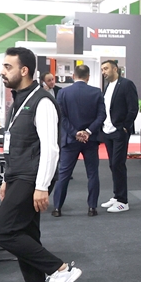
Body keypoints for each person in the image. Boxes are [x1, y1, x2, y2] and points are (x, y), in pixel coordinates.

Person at [0, 46, 81, 282]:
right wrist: (6, 179)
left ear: (24, 70)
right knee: (27, 234)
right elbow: (16, 143)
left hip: (32, 177)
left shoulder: (42, 101)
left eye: (8, 67)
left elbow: (50, 148)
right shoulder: (19, 99)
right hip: (18, 175)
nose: (2, 71)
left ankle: (59, 270)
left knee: (3, 232)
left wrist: (42, 186)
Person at [51, 64, 105, 217]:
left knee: (64, 174)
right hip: (91, 140)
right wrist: (88, 131)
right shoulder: (96, 92)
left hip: (70, 140)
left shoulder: (62, 92)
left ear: (73, 76)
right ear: (88, 77)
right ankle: (92, 208)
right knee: (92, 174)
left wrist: (75, 133)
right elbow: (101, 116)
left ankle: (57, 208)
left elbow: (61, 117)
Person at [99, 60, 138, 214]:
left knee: (118, 164)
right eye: (102, 69)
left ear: (115, 69)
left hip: (119, 131)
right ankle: (117, 196)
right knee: (112, 165)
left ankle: (123, 201)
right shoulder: (107, 87)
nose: (103, 72)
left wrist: (125, 126)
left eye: (106, 68)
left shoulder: (126, 84)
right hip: (107, 131)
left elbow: (133, 108)